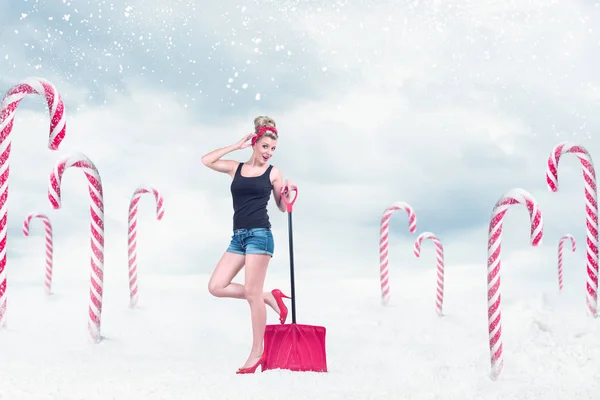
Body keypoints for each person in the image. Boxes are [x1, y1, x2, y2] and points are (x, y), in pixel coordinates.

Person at [201, 115, 297, 374]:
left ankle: (257, 353)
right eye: (265, 146)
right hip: (238, 237)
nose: (269, 152)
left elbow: (280, 206)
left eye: (273, 148)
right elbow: (206, 161)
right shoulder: (236, 168)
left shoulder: (273, 172)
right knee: (216, 286)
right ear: (255, 143)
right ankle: (268, 296)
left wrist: (286, 194)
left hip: (260, 236)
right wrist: (235, 145)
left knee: (251, 296)